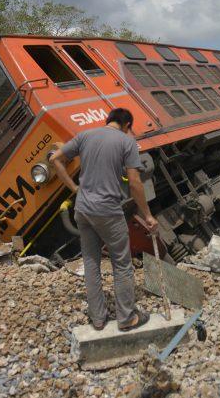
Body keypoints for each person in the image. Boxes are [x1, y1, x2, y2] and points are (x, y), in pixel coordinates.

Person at [51, 108, 158, 332]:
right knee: (121, 262)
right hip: (107, 210)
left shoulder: (86, 135)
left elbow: (55, 159)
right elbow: (136, 183)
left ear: (107, 120)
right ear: (127, 124)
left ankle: (98, 319)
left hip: (82, 209)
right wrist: (147, 214)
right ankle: (127, 318)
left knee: (91, 262)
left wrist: (74, 189)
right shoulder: (126, 142)